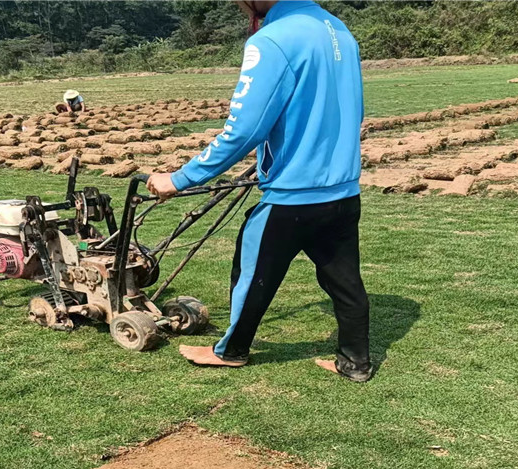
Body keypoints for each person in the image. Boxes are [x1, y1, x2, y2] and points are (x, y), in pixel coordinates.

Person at [147, 0, 370, 381]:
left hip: (292, 196)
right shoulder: (339, 31)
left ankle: (231, 351)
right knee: (346, 280)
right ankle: (356, 363)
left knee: (252, 274)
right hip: (343, 192)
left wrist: (180, 178)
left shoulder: (273, 40)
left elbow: (244, 129)